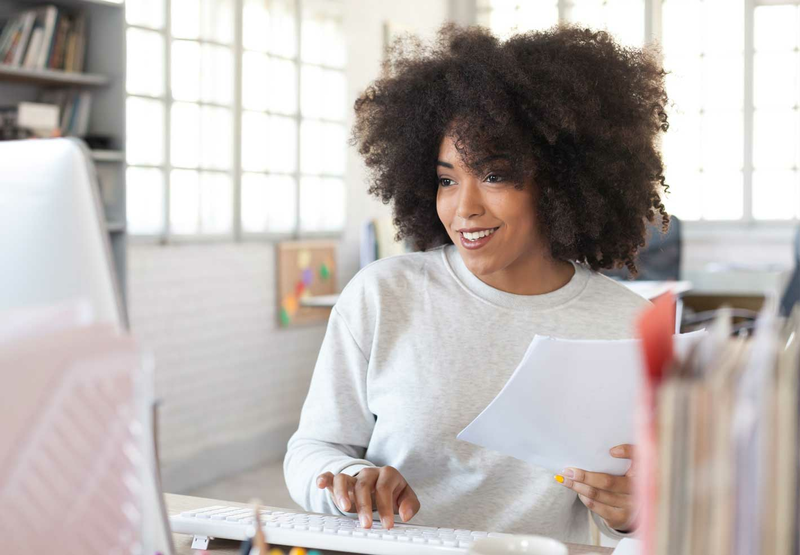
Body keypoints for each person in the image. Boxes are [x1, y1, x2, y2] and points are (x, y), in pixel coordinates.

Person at [284, 23, 669, 545]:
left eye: (493, 175)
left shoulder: (625, 323)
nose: (463, 207)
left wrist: (632, 511)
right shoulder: (383, 296)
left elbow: (637, 501)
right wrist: (349, 481)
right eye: (447, 179)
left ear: (559, 180)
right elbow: (311, 450)